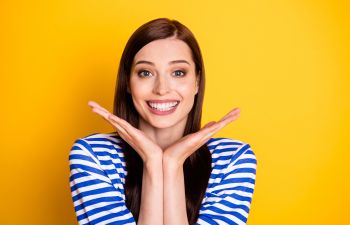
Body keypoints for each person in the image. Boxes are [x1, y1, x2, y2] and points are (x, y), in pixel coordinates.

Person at [69, 17, 257, 225]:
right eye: (145, 73)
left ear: (196, 82)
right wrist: (152, 162)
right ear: (128, 83)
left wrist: (172, 163)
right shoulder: (93, 155)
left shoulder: (232, 159)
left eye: (178, 72)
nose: (162, 89)